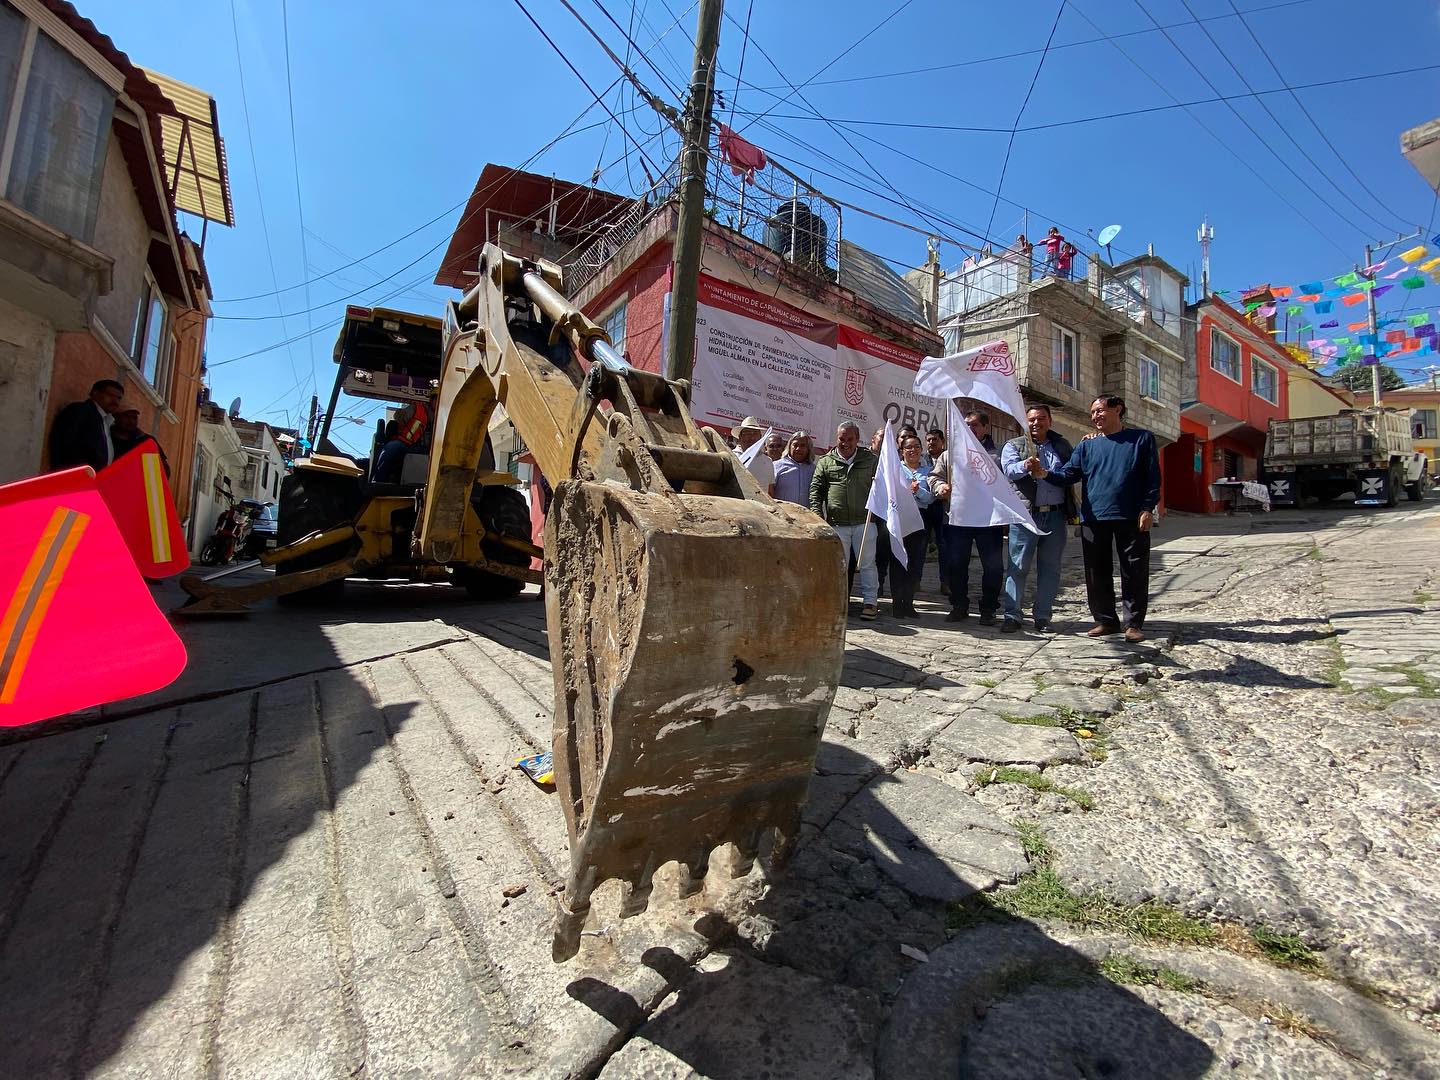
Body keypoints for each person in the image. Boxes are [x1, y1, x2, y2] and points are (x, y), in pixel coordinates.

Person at [1029, 395, 1161, 643]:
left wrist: (1147, 508)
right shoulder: (1086, 446)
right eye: (1092, 413)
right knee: (1095, 571)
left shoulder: (1141, 439)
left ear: (1117, 409)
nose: (1095, 417)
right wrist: (1045, 473)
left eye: (1100, 411)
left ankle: (1133, 623)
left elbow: (1152, 477)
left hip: (1131, 516)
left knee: (1134, 569)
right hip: (1094, 516)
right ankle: (1106, 620)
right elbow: (1070, 474)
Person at [1000, 404, 1074, 634]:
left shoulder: (1061, 446)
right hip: (1025, 515)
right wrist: (1026, 465)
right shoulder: (1014, 445)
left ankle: (1043, 616)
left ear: (1050, 421)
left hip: (1054, 515)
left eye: (1041, 418)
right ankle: (1012, 615)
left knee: (1050, 568)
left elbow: (1072, 473)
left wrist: (1050, 474)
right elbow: (1008, 470)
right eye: (1031, 419)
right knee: (1018, 566)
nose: (1036, 423)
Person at [929, 409, 1005, 625]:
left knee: (993, 567)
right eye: (966, 425)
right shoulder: (950, 454)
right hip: (958, 519)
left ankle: (989, 608)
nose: (970, 429)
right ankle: (959, 605)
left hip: (988, 520)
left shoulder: (998, 454)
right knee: (956, 565)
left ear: (985, 427)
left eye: (974, 425)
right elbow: (934, 476)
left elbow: (1007, 485)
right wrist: (941, 486)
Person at [810, 421, 880, 620]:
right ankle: (838, 602)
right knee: (838, 565)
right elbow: (816, 491)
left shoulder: (870, 460)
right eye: (842, 439)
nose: (845, 443)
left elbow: (882, 487)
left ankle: (870, 603)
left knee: (867, 564)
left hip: (864, 522)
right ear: (837, 438)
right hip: (837, 523)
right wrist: (817, 515)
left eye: (850, 439)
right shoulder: (825, 461)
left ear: (857, 439)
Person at [890, 434, 933, 618]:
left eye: (916, 447)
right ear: (902, 451)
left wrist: (919, 491)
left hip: (920, 519)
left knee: (915, 563)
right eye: (908, 447)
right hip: (900, 519)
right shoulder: (895, 469)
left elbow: (932, 498)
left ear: (921, 450)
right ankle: (896, 603)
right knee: (898, 562)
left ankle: (908, 603)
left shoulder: (928, 471)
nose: (913, 450)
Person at [49, 378, 123, 471]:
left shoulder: (107, 421)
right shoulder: (80, 410)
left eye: (119, 398)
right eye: (110, 395)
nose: (115, 401)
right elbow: (65, 444)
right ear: (95, 394)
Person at [921, 426, 949, 595]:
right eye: (929, 440)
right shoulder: (921, 458)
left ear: (942, 442)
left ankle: (946, 583)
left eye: (935, 439)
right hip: (924, 508)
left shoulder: (948, 458)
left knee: (944, 547)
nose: (931, 443)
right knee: (920, 545)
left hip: (943, 507)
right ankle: (915, 581)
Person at [110, 406, 171, 474]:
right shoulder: (105, 435)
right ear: (116, 416)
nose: (131, 421)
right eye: (127, 416)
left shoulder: (146, 441)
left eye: (134, 418)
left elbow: (163, 469)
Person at [734, 416, 775, 496]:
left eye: (755, 433)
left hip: (761, 507)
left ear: (760, 437)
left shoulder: (768, 461)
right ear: (740, 437)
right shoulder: (731, 456)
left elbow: (770, 491)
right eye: (747, 433)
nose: (752, 437)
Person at [773, 430, 815, 507]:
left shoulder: (814, 470)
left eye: (803, 446)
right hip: (783, 515)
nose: (798, 449)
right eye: (795, 445)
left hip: (807, 516)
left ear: (808, 449)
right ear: (789, 446)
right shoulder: (776, 466)